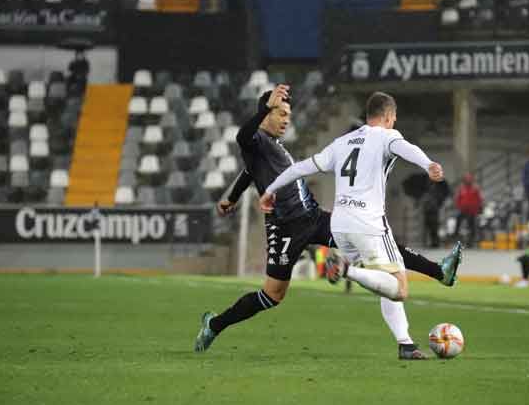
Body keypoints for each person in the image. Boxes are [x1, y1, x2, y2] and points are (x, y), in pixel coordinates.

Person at [198, 86, 462, 360]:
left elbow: (250, 170)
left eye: (288, 113)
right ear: (265, 114)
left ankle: (434, 279)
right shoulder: (256, 140)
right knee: (273, 295)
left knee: (383, 252)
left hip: (313, 217)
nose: (287, 119)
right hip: (283, 226)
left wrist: (233, 196)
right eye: (280, 113)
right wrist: (265, 109)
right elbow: (242, 137)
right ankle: (214, 325)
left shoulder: (273, 146)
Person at [259, 91, 447, 359]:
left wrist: (270, 190)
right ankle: (348, 270)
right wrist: (428, 164)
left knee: (385, 277)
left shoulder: (342, 142)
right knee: (400, 287)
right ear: (389, 116)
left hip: (339, 222)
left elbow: (301, 168)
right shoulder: (386, 135)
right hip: (368, 222)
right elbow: (406, 148)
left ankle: (405, 344)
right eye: (393, 119)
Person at [452, 173, 482, 248]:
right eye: (466, 179)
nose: (468, 181)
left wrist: (478, 208)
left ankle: (470, 242)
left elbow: (479, 199)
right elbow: (457, 198)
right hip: (462, 209)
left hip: (472, 210)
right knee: (457, 223)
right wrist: (458, 206)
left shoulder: (475, 188)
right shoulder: (461, 188)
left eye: (469, 179)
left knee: (471, 226)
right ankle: (455, 239)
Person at [422, 180, 450, 248]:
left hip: (434, 211)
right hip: (428, 211)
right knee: (429, 227)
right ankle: (432, 242)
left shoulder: (437, 192)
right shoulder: (427, 192)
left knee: (434, 227)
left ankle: (435, 242)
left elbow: (440, 199)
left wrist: (437, 205)